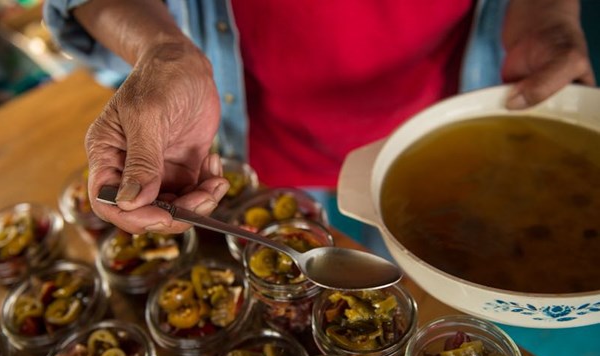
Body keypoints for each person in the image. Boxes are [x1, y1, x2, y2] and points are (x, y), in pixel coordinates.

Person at [44, 0, 595, 238]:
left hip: (433, 129)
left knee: (417, 255)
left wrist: (545, 13)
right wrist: (161, 49)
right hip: (237, 137)